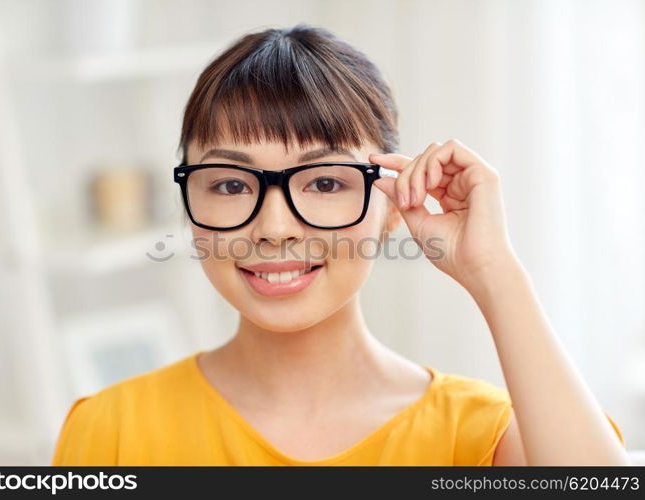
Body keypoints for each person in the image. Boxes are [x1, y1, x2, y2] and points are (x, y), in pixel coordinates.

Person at [51, 24, 628, 466]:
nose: (274, 228)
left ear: (395, 202)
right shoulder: (111, 431)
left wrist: (493, 271)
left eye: (325, 182)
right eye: (230, 184)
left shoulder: (479, 434)